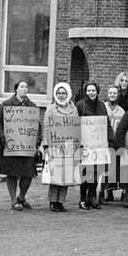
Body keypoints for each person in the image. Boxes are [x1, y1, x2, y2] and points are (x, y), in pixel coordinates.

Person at [0, 79, 42, 211]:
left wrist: (37, 141)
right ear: (16, 89)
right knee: (12, 173)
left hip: (27, 146)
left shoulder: (32, 106)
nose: (24, 89)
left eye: (26, 87)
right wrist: (3, 138)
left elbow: (38, 125)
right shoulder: (6, 104)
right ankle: (13, 200)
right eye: (22, 87)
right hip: (11, 146)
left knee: (28, 174)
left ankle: (22, 197)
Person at [43, 81, 80, 212]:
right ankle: (53, 201)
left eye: (64, 93)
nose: (61, 95)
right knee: (56, 173)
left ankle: (61, 201)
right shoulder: (51, 109)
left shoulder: (74, 109)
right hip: (55, 146)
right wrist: (46, 145)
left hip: (69, 146)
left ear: (68, 94)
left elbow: (76, 128)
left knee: (67, 174)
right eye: (59, 93)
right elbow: (46, 128)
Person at [75, 81, 111, 211]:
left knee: (96, 173)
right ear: (86, 92)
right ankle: (82, 199)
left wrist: (110, 138)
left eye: (93, 90)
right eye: (89, 90)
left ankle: (92, 197)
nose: (91, 93)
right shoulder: (80, 105)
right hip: (86, 145)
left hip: (99, 145)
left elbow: (107, 123)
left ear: (97, 91)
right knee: (86, 173)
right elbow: (75, 124)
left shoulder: (102, 106)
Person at [103, 84, 126, 204]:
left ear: (118, 95)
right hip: (104, 140)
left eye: (115, 93)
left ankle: (112, 189)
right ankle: (105, 191)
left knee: (115, 166)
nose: (112, 95)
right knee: (105, 166)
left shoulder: (121, 110)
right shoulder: (103, 107)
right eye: (110, 93)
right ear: (107, 94)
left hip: (115, 141)